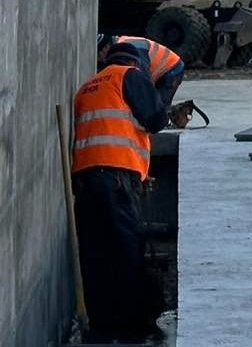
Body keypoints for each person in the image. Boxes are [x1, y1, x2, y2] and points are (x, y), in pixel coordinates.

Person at [72, 42, 168, 342]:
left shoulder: (87, 87)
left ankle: (103, 324)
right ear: (137, 63)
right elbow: (155, 119)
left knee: (97, 253)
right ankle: (133, 326)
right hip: (117, 176)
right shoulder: (129, 76)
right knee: (127, 250)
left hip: (86, 181)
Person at [98, 33, 185, 108]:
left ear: (105, 47)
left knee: (156, 110)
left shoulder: (133, 49)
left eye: (99, 54)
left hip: (172, 70)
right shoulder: (121, 47)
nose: (100, 59)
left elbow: (144, 80)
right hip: (163, 70)